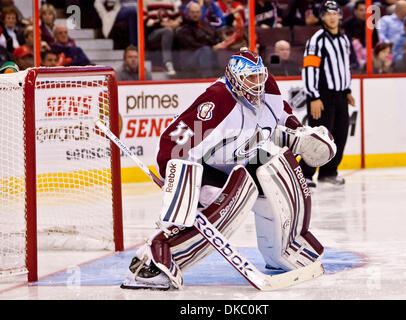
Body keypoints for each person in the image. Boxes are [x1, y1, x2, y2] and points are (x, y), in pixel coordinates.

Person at [120, 47, 336, 290]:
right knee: (231, 201)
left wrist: (299, 130)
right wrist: (179, 184)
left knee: (281, 167)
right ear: (234, 79)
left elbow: (283, 112)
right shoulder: (217, 100)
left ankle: (284, 250)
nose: (257, 85)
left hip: (244, 158)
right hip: (208, 168)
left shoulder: (267, 87)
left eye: (260, 77)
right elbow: (173, 144)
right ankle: (152, 261)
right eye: (250, 79)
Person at [300, 0, 356, 186]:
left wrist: (347, 90)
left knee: (340, 135)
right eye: (327, 14)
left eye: (335, 13)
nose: (332, 17)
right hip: (321, 96)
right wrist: (313, 96)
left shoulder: (343, 39)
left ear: (340, 15)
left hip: (340, 95)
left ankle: (329, 172)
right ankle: (305, 174)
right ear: (322, 17)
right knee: (319, 137)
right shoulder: (316, 40)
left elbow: (344, 67)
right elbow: (309, 69)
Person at [176, 2, 228, 78]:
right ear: (188, 13)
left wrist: (222, 43)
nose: (195, 14)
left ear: (201, 13)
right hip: (190, 61)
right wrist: (212, 48)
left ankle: (225, 77)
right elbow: (193, 45)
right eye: (192, 12)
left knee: (223, 49)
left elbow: (216, 36)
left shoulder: (206, 24)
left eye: (197, 12)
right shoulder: (184, 29)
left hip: (208, 55)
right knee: (205, 50)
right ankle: (208, 78)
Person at [143, 0, 181, 76]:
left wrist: (175, 23)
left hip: (170, 27)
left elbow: (178, 17)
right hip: (152, 32)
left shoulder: (171, 1)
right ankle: (168, 63)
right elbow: (144, 20)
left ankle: (182, 64)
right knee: (167, 31)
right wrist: (161, 23)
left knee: (180, 31)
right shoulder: (145, 1)